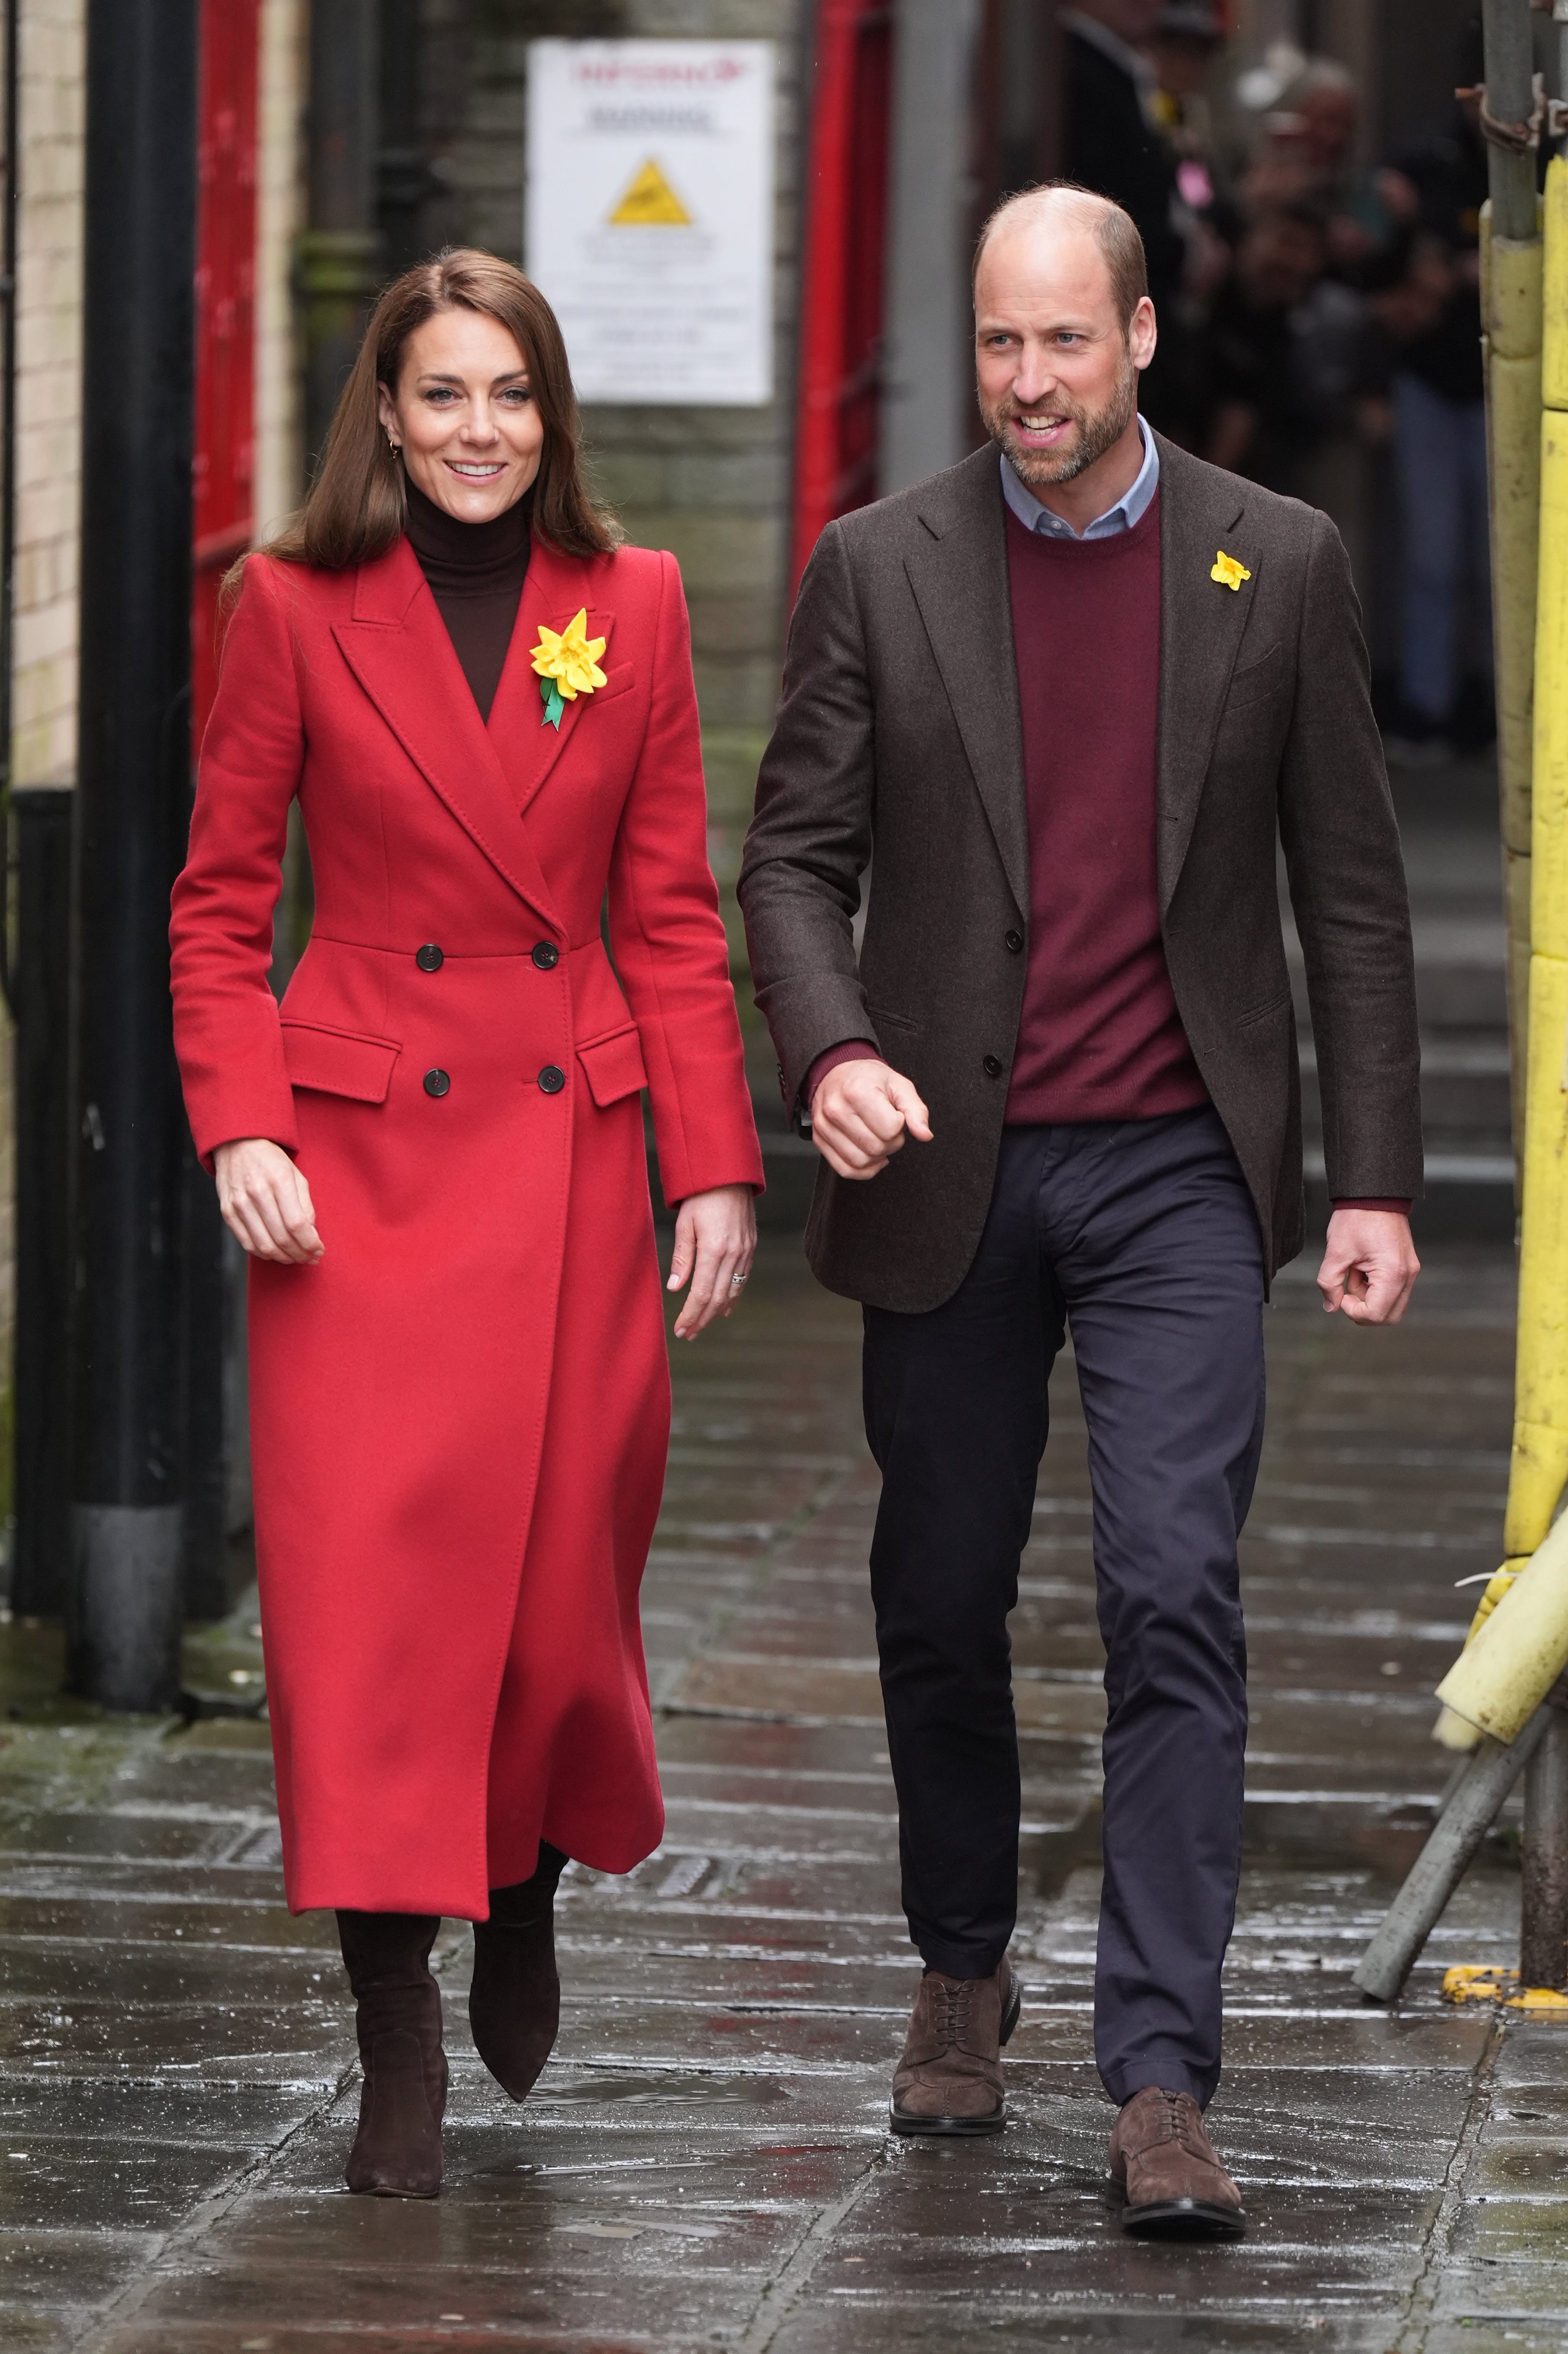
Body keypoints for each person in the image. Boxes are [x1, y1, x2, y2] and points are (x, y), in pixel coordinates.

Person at [738, 185, 1421, 2240]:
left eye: (1061, 343)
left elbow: (1353, 890)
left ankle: (1159, 2076)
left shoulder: (1275, 563)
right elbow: (790, 864)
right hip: (946, 1157)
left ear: (1135, 336)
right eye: (996, 345)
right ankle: (963, 1956)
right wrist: (834, 1046)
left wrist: (1371, 1174)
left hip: (1179, 1172)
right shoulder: (881, 566)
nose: (1026, 385)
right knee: (940, 1594)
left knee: (1175, 1586)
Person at [170, 249, 762, 2199]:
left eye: (510, 393)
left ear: (553, 412)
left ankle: (521, 1880)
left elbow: (671, 914)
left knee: (553, 1600)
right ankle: (393, 2019)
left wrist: (714, 1162)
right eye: (441, 394)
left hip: (577, 1157)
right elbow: (216, 905)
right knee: (369, 1622)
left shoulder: (641, 606)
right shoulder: (289, 602)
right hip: (355, 1183)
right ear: (388, 414)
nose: (479, 430)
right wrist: (241, 1124)